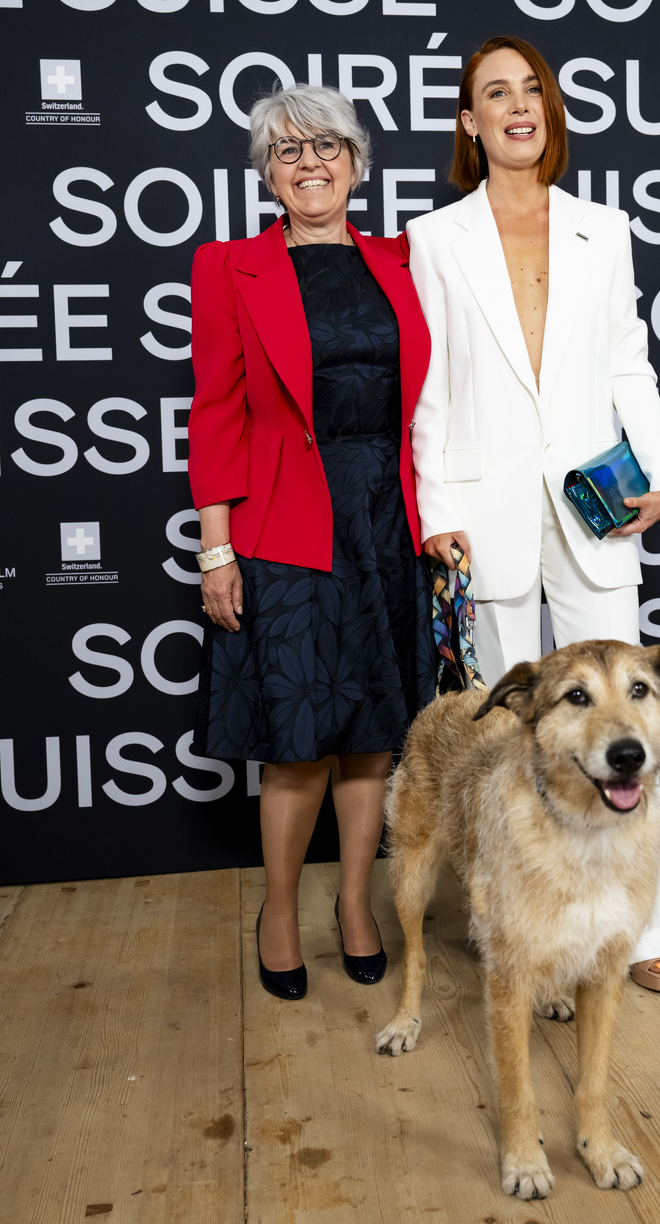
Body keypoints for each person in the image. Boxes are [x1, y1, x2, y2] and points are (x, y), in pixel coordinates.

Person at [406, 36, 660, 993]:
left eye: (533, 90)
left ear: (548, 112)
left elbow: (626, 362)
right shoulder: (435, 236)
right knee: (501, 731)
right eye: (496, 93)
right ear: (468, 122)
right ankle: (515, 921)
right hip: (481, 510)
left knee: (624, 714)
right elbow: (430, 382)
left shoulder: (602, 228)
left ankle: (643, 925)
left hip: (597, 503)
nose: (519, 105)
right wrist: (436, 506)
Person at [187, 83, 436, 1001]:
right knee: (297, 743)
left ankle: (357, 906)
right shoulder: (227, 268)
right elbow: (214, 413)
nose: (310, 165)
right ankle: (282, 910)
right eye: (287, 152)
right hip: (284, 519)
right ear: (265, 174)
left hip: (386, 517)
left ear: (358, 163)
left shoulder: (404, 259)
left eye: (326, 147)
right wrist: (217, 548)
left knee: (373, 738)